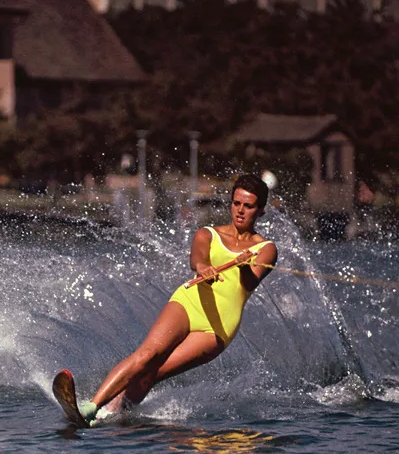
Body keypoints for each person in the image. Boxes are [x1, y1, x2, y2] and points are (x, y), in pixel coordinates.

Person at [79, 173, 278, 424]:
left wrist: (244, 266)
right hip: (190, 302)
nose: (240, 211)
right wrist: (204, 267)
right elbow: (197, 259)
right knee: (147, 355)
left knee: (154, 373)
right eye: (236, 203)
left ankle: (112, 413)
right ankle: (92, 406)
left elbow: (250, 282)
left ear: (260, 211)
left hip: (217, 327)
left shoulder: (266, 249)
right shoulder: (208, 234)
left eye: (248, 206)